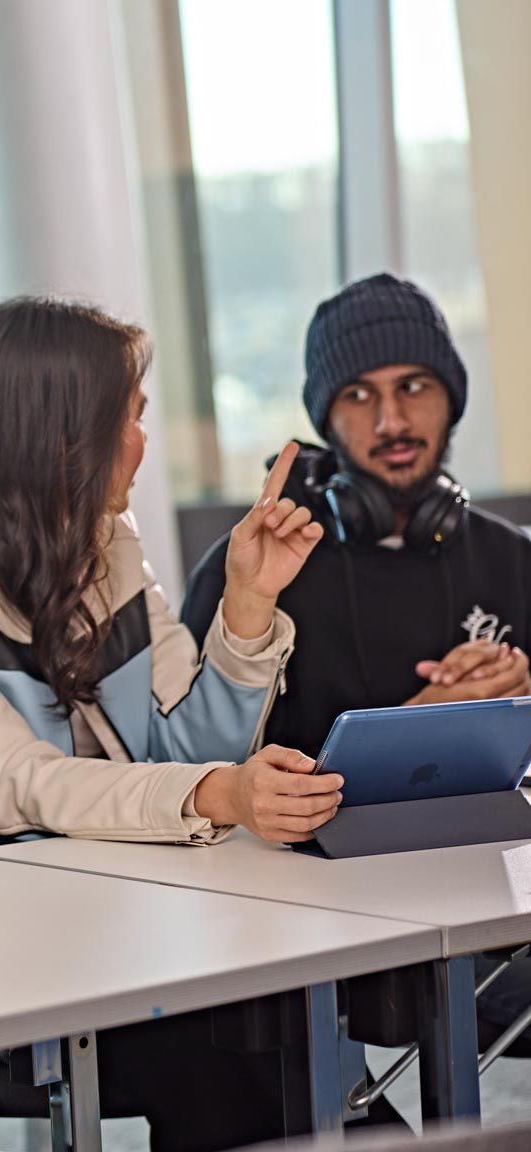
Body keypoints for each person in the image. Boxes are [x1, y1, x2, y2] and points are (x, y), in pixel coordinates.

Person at [0, 297, 353, 1151]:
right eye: (130, 418)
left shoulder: (108, 545)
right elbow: (22, 789)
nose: (141, 443)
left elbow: (192, 749)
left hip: (129, 917)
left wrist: (248, 604)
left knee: (284, 1021)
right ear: (59, 434)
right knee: (225, 1044)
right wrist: (215, 793)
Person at [180, 273, 531, 1058]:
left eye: (414, 387)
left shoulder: (513, 561)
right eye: (360, 397)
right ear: (325, 420)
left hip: (498, 893)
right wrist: (420, 726)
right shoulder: (253, 571)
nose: (394, 419)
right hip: (315, 927)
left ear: (452, 398)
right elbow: (192, 773)